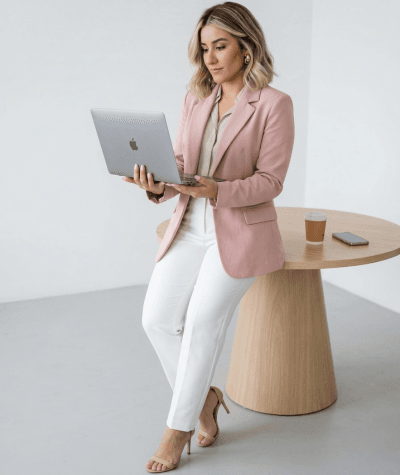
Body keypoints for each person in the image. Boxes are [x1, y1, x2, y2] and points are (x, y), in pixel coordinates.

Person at [123, 2, 295, 472]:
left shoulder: (274, 104)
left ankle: (177, 431)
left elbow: (271, 181)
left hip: (238, 231)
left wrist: (219, 190)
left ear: (246, 47)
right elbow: (180, 163)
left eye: (220, 46)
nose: (210, 58)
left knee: (201, 324)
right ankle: (206, 399)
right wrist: (155, 184)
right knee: (157, 320)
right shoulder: (196, 98)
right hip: (189, 222)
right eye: (204, 48)